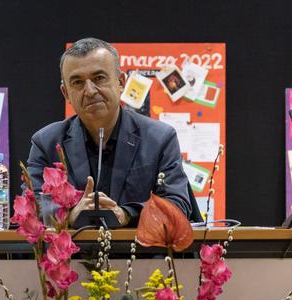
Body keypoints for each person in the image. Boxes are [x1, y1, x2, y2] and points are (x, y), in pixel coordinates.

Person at [27, 38, 201, 226]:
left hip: (141, 254)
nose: (90, 90)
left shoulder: (160, 138)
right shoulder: (46, 143)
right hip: (74, 254)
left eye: (99, 78)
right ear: (66, 93)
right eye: (77, 82)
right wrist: (69, 215)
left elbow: (178, 205)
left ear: (121, 82)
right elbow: (31, 207)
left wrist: (126, 214)